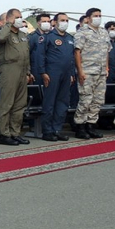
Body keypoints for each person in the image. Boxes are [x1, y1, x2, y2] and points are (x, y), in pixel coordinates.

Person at [0, 8, 31, 146]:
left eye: (21, 17)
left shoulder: (22, 34)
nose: (20, 19)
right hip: (9, 69)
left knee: (19, 104)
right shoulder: (4, 32)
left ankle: (15, 133)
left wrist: (28, 71)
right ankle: (4, 134)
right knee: (7, 104)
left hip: (22, 70)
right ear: (10, 18)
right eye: (17, 17)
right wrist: (8, 25)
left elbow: (26, 54)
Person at [73, 8, 112, 139]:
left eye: (100, 15)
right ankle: (80, 126)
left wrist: (106, 67)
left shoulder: (103, 32)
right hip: (87, 71)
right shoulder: (82, 32)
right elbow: (77, 52)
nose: (98, 18)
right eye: (95, 15)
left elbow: (107, 51)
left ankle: (91, 125)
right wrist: (80, 71)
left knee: (98, 101)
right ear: (88, 18)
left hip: (100, 72)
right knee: (85, 100)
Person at [39, 13, 74, 141]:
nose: (65, 22)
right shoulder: (47, 37)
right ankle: (47, 131)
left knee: (63, 102)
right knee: (50, 102)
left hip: (66, 74)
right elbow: (40, 56)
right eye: (62, 20)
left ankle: (57, 129)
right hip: (52, 73)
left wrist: (71, 74)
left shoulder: (70, 38)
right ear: (55, 22)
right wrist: (43, 72)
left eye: (66, 20)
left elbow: (71, 58)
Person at [97, 21, 115, 130]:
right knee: (104, 99)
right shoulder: (102, 42)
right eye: (111, 28)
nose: (114, 31)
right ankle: (102, 122)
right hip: (106, 75)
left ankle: (111, 121)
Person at [29, 13, 52, 86]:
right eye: (44, 22)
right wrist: (29, 72)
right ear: (38, 23)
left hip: (49, 70)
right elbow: (27, 55)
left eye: (48, 21)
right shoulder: (32, 37)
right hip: (36, 71)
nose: (47, 23)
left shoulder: (51, 36)